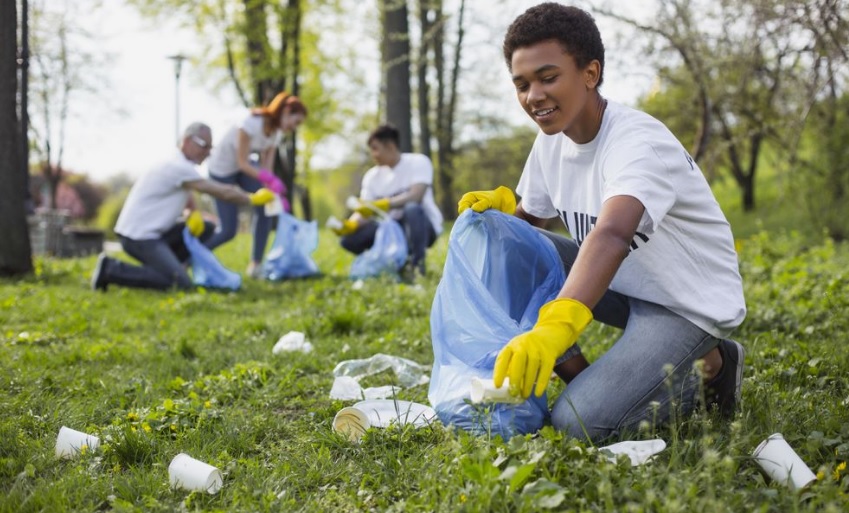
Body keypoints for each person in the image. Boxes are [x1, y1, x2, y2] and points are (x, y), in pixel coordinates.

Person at [457, 3, 746, 442]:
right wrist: (500, 217)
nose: (533, 96)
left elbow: (612, 234)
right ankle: (587, 382)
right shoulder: (551, 142)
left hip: (683, 302)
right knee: (505, 243)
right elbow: (525, 232)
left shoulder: (636, 141)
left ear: (590, 74)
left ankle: (716, 365)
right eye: (522, 84)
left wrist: (554, 327)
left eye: (548, 77)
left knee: (576, 423)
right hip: (624, 286)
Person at [90, 122, 275, 291]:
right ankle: (110, 269)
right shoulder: (177, 166)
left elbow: (184, 193)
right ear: (187, 141)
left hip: (155, 235)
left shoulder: (179, 165)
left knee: (207, 228)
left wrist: (192, 211)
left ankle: (171, 267)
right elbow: (220, 191)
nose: (208, 152)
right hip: (139, 237)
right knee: (180, 284)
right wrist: (251, 199)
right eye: (204, 145)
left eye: (211, 147)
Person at [204, 91, 308, 277]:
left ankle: (256, 264)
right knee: (228, 231)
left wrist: (274, 194)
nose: (294, 127)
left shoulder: (276, 134)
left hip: (242, 171)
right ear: (286, 110)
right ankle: (194, 255)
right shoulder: (251, 123)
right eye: (296, 121)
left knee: (267, 206)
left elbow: (265, 169)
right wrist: (270, 180)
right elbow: (243, 161)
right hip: (221, 171)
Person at [332, 124, 443, 279]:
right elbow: (364, 209)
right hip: (390, 229)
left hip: (421, 227)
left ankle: (417, 267)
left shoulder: (418, 162)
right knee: (348, 240)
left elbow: (416, 196)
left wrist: (385, 204)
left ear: (390, 146)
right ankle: (387, 263)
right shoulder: (372, 176)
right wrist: (351, 224)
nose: (373, 154)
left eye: (375, 148)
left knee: (412, 209)